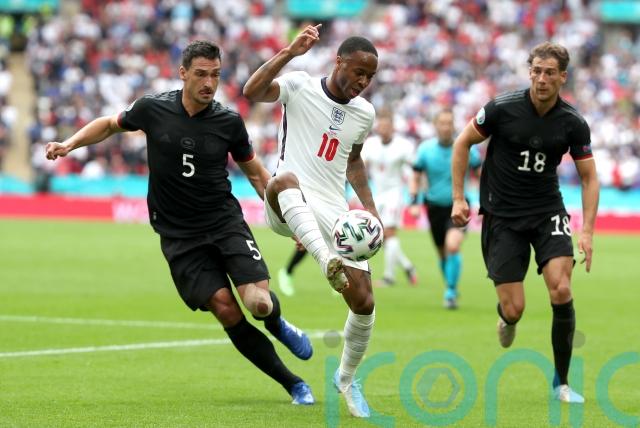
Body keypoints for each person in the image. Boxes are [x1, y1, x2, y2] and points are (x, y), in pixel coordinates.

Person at [45, 40, 315, 405]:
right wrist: (69, 144)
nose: (209, 83)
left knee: (259, 304)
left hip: (224, 222)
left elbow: (256, 174)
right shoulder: (152, 109)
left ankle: (276, 323)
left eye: (215, 75)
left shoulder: (228, 122)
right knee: (225, 308)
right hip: (179, 235)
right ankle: (294, 384)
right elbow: (109, 125)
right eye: (201, 74)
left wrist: (293, 222)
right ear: (183, 73)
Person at [243, 24, 380, 418]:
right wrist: (289, 52)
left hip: (332, 210)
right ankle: (325, 261)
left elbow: (353, 160)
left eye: (370, 77)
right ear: (339, 62)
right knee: (282, 179)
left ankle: (346, 379)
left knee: (364, 302)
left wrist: (369, 208)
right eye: (359, 72)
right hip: (287, 198)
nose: (363, 82)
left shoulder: (364, 113)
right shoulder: (300, 85)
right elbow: (252, 91)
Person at [451, 42, 599, 403]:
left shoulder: (573, 123)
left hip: (548, 211)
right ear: (529, 72)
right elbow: (462, 143)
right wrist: (458, 197)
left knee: (561, 289)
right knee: (514, 308)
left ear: (563, 77)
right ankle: (507, 319)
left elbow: (589, 177)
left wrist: (587, 231)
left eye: (550, 73)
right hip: (502, 216)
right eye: (536, 71)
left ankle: (562, 383)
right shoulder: (501, 108)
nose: (542, 79)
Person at [409, 109, 482, 309]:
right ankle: (452, 287)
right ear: (435, 126)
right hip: (434, 207)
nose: (446, 127)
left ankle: (449, 291)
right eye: (442, 123)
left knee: (453, 246)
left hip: (459, 206)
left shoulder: (466, 146)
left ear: (454, 125)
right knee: (442, 253)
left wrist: (485, 200)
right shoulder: (425, 149)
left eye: (449, 123)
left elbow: (480, 173)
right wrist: (414, 202)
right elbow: (415, 176)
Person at [361, 111, 418, 287]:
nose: (384, 129)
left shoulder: (403, 146)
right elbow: (361, 166)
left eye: (387, 126)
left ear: (393, 127)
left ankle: (389, 277)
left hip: (395, 193)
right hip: (376, 194)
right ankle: (408, 266)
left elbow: (415, 170)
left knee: (390, 232)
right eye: (381, 126)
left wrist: (415, 198)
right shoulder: (370, 144)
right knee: (380, 236)